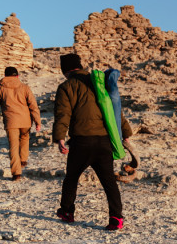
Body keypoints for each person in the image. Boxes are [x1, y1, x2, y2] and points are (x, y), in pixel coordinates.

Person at [52, 53, 134, 231]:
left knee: (71, 178)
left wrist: (59, 138)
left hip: (81, 142)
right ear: (79, 66)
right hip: (104, 141)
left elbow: (63, 114)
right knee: (109, 182)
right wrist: (125, 132)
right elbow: (114, 108)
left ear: (65, 70)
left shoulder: (66, 86)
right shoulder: (98, 82)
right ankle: (116, 218)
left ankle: (67, 212)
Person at [0, 66, 42, 181]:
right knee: (24, 138)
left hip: (11, 121)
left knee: (13, 146)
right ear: (17, 76)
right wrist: (37, 121)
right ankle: (23, 160)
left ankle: (16, 173)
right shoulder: (24, 87)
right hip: (25, 121)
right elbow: (33, 105)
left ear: (5, 75)